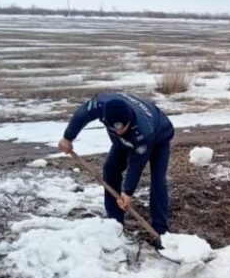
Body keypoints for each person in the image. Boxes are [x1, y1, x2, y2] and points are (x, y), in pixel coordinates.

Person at [57, 92, 174, 237]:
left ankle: (160, 230)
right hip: (126, 139)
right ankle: (115, 223)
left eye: (121, 128)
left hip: (159, 136)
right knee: (110, 170)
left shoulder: (144, 132)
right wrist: (68, 137)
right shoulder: (100, 105)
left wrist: (128, 192)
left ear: (129, 121)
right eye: (114, 129)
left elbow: (136, 164)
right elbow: (82, 115)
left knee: (158, 178)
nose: (118, 131)